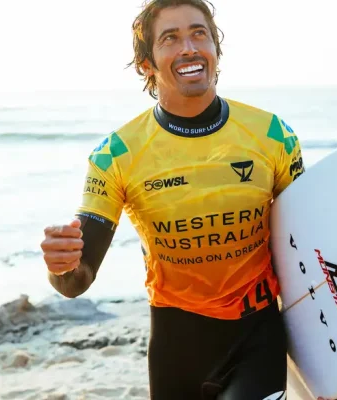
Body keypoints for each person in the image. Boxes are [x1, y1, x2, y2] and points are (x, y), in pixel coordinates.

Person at [40, 1, 305, 398]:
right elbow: (77, 280)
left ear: (215, 49)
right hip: (175, 347)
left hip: (259, 335)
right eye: (170, 38)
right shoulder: (117, 155)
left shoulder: (272, 135)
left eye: (200, 33)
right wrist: (61, 266)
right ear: (147, 64)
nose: (188, 47)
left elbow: (312, 246)